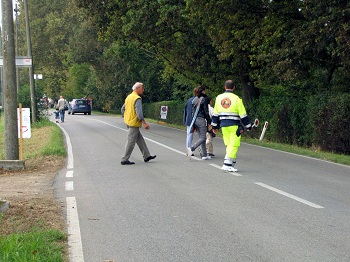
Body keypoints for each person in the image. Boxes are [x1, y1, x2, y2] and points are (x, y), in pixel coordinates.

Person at [211, 80, 252, 172]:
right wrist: (248, 126)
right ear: (234, 87)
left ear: (224, 87)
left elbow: (215, 114)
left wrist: (214, 127)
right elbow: (243, 115)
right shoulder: (237, 99)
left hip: (223, 125)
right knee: (234, 144)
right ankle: (227, 163)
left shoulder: (219, 98)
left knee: (228, 144)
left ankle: (231, 163)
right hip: (234, 125)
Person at [121, 82, 156, 165]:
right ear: (137, 89)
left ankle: (147, 156)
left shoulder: (129, 97)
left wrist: (126, 117)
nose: (143, 90)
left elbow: (122, 109)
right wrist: (144, 123)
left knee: (140, 140)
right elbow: (139, 113)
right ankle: (124, 159)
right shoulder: (137, 98)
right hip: (134, 123)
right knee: (131, 141)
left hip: (129, 122)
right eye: (142, 88)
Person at [187, 85, 212, 160]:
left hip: (194, 120)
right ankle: (191, 148)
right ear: (203, 91)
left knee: (201, 137)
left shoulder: (194, 99)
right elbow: (206, 112)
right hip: (201, 120)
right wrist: (209, 121)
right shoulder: (203, 100)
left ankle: (204, 155)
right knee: (203, 137)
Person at [183, 87, 198, 156]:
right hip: (196, 120)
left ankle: (188, 149)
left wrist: (185, 120)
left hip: (189, 120)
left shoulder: (189, 100)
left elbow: (186, 111)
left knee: (189, 135)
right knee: (202, 136)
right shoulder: (199, 100)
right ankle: (205, 151)